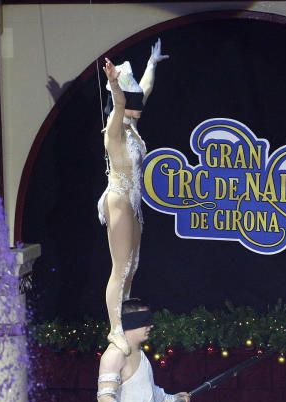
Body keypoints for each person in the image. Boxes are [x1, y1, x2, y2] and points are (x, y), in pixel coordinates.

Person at [98, 40, 168, 356]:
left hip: (133, 201)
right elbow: (120, 101)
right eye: (133, 103)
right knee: (121, 267)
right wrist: (114, 83)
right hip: (118, 198)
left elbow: (145, 90)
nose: (140, 106)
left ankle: (123, 319)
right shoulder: (115, 130)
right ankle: (115, 328)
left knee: (133, 265)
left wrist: (151, 64)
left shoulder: (133, 125)